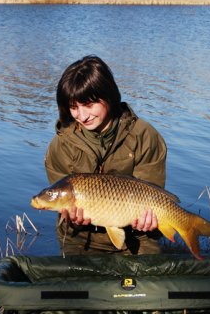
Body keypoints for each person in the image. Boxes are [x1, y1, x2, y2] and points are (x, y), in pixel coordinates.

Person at [44, 55, 167, 255]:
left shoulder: (144, 135)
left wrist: (147, 221)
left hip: (138, 237)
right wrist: (71, 218)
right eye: (74, 107)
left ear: (108, 96)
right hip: (81, 237)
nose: (82, 116)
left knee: (144, 286)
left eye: (89, 105)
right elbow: (60, 197)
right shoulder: (61, 145)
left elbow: (153, 193)